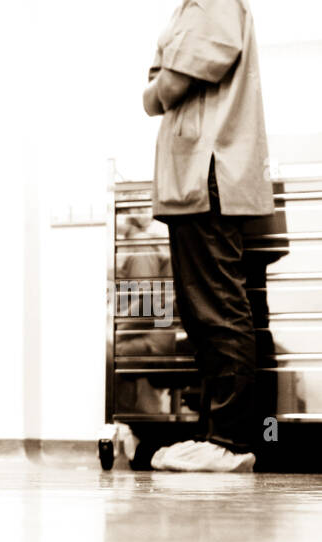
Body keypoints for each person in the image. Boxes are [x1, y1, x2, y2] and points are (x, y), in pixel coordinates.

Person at [142, 0, 274, 472]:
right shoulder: (191, 8)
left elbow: (166, 87)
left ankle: (229, 441)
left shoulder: (214, 2)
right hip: (193, 179)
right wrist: (161, 81)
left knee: (218, 310)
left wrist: (161, 80)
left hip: (208, 175)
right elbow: (157, 88)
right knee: (204, 315)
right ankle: (216, 435)